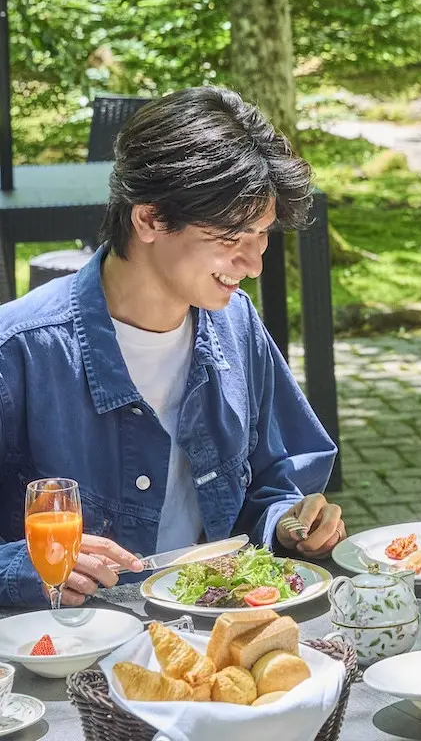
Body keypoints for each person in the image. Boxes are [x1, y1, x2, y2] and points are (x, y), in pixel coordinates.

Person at [0, 87, 343, 608]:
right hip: (64, 654)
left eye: (262, 235)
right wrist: (23, 567)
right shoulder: (20, 350)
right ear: (150, 220)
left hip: (213, 637)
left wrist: (290, 523)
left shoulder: (237, 324)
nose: (254, 264)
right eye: (231, 238)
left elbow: (272, 482)